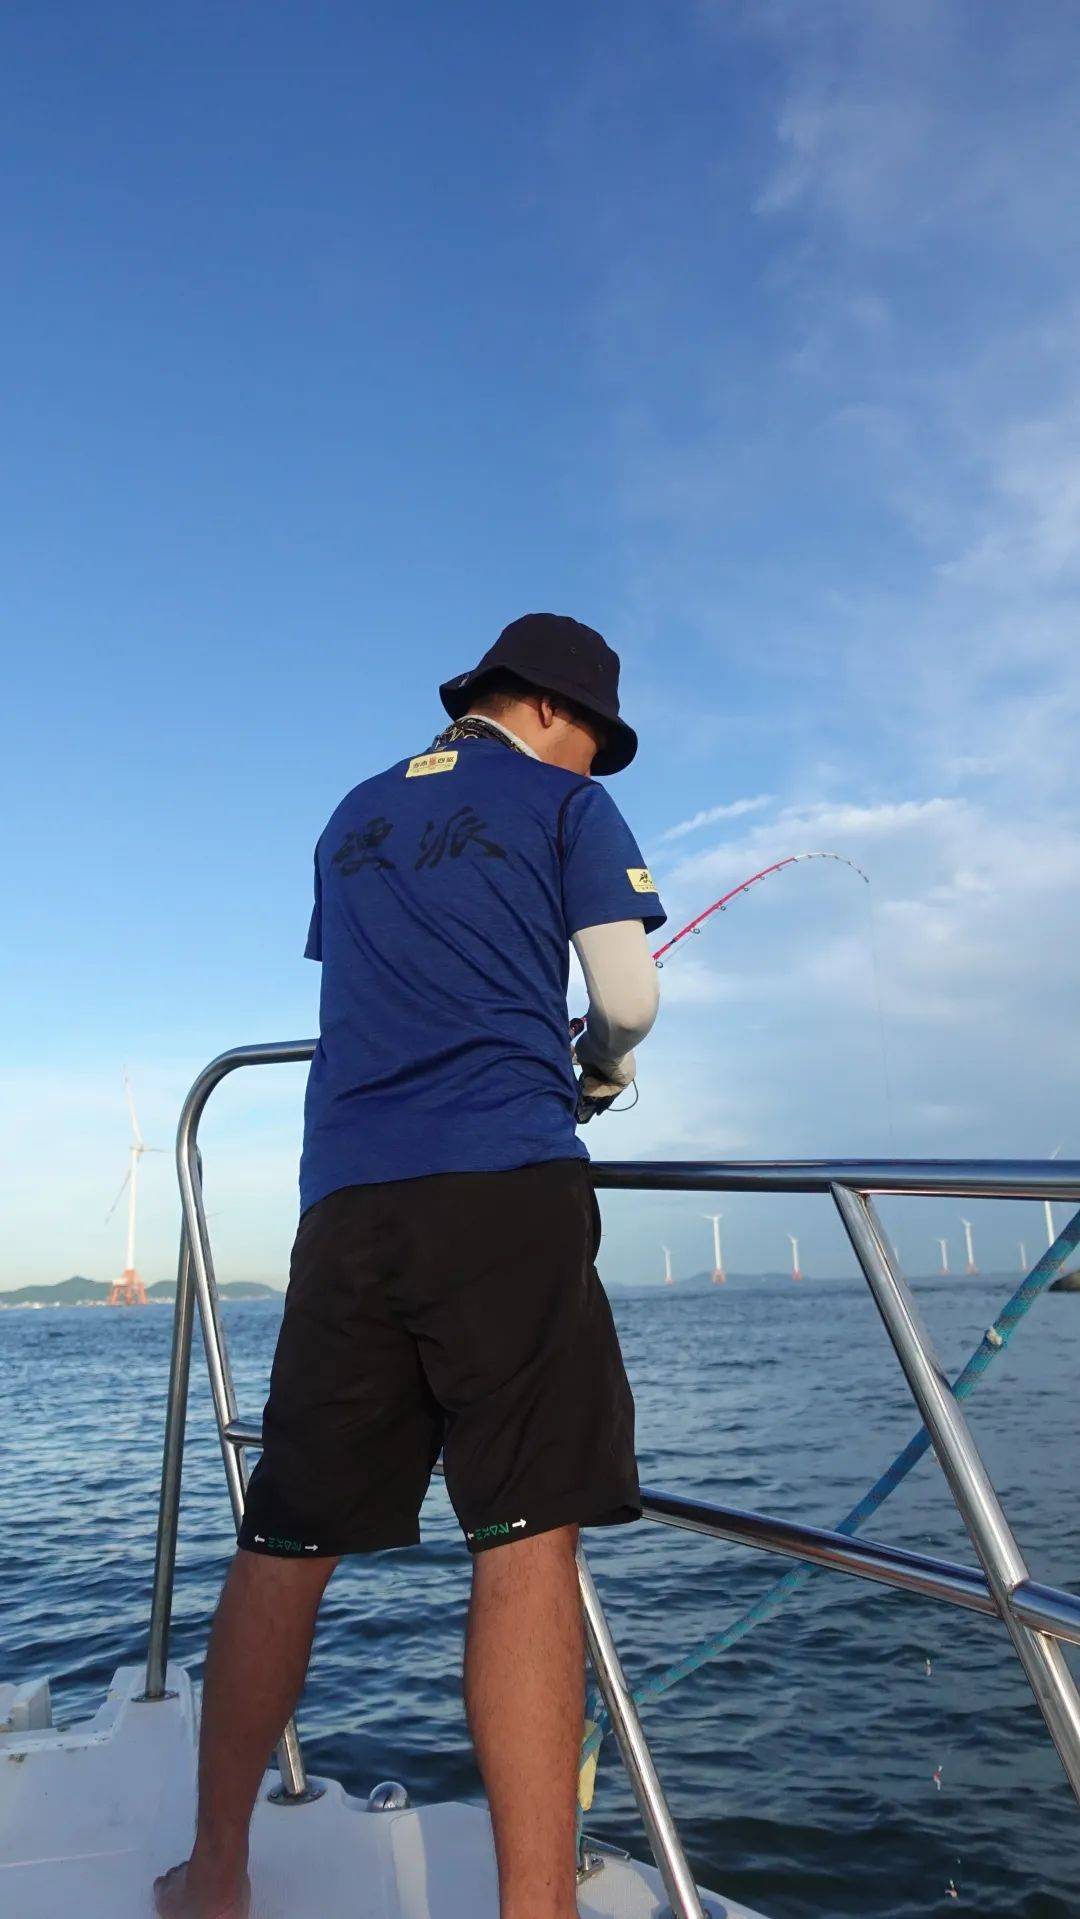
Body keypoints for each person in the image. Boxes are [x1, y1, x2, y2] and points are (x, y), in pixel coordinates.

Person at [155, 612, 666, 1919]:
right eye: (594, 739)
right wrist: (601, 1065)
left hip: (347, 1209)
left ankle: (214, 1876)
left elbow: (386, 983)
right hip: (503, 1191)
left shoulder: (353, 815)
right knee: (525, 1538)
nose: (594, 763)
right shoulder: (566, 805)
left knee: (284, 1540)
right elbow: (628, 995)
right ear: (549, 711)